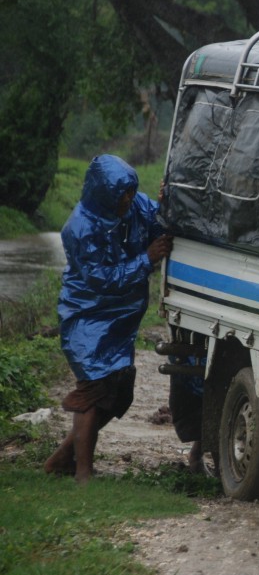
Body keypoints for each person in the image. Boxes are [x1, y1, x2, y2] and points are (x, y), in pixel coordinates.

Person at [44, 154, 172, 484]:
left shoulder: (136, 206)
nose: (129, 199)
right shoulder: (79, 228)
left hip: (120, 321)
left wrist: (164, 205)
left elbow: (158, 227)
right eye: (122, 194)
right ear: (103, 193)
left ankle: (62, 458)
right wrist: (146, 259)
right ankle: (83, 473)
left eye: (131, 192)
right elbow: (102, 280)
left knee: (120, 393)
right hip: (87, 316)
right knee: (92, 390)